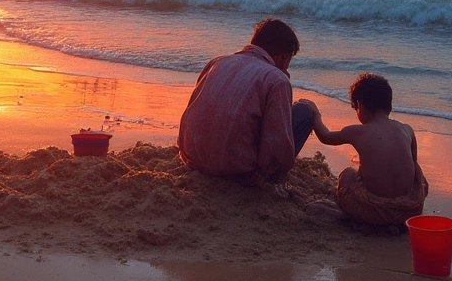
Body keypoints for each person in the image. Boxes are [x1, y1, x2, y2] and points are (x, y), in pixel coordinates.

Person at [177, 18, 316, 187]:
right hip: (239, 173)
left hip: (193, 160)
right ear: (282, 56)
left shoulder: (217, 62)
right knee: (305, 111)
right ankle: (267, 179)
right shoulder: (276, 79)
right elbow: (277, 144)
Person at [306, 73, 428, 226]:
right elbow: (415, 171)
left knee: (347, 174)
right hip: (410, 212)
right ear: (389, 105)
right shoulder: (406, 130)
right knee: (416, 170)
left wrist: (315, 114)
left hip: (373, 212)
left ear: (360, 105)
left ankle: (354, 217)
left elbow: (326, 136)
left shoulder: (358, 131)